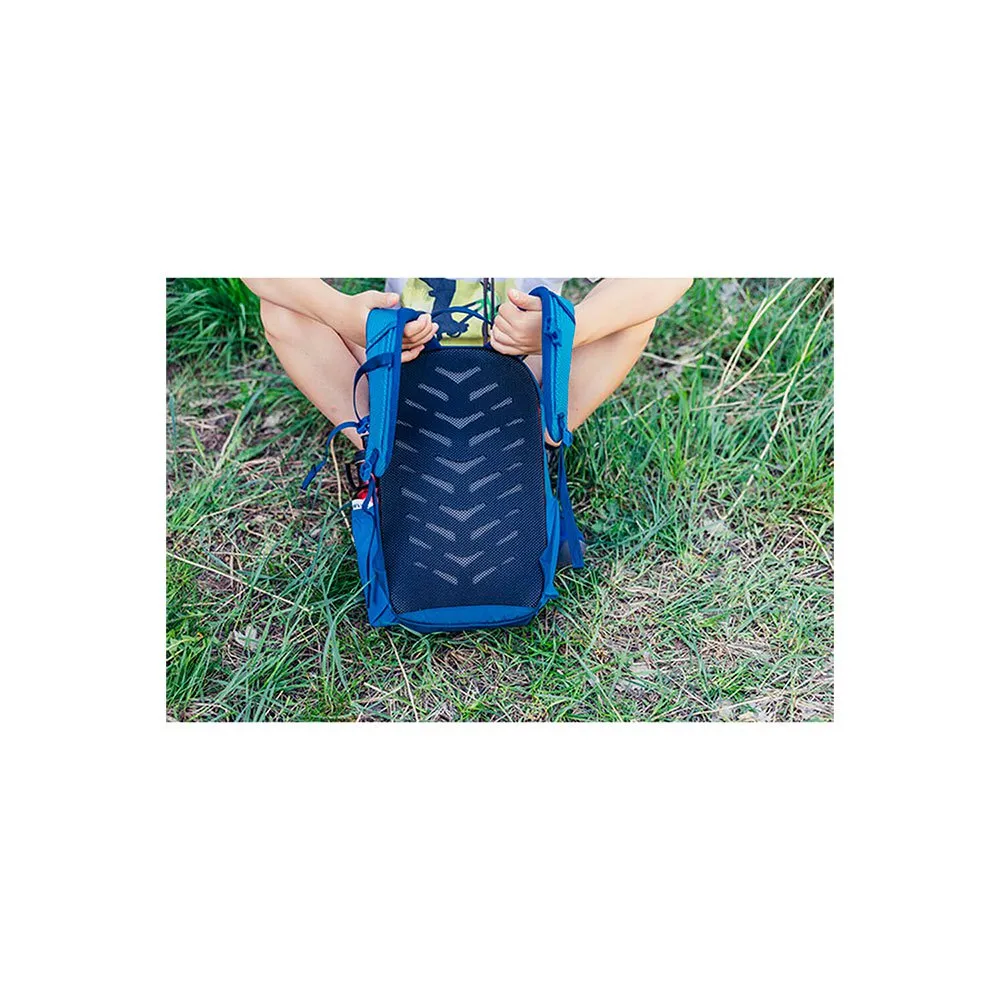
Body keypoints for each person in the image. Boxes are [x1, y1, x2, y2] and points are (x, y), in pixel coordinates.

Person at [243, 277, 693, 450]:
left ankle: (536, 444)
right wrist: (345, 316)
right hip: (402, 384)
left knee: (631, 315)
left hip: (522, 384)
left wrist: (563, 329)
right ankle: (379, 443)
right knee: (284, 308)